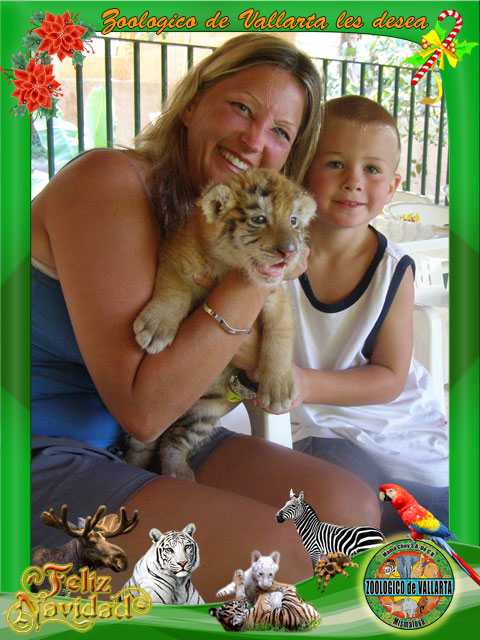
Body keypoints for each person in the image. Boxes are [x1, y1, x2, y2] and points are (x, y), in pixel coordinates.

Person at [31, 35, 381, 602]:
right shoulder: (109, 182)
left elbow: (241, 370)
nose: (254, 139)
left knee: (350, 512)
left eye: (281, 132)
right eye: (241, 107)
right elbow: (144, 410)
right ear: (192, 103)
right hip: (43, 445)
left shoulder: (218, 205)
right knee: (274, 563)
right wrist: (258, 270)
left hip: (153, 432)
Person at [282, 95, 448, 534]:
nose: (353, 181)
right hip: (314, 425)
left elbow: (390, 377)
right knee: (343, 496)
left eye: (372, 169)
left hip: (385, 417)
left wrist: (305, 382)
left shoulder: (393, 270)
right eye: (335, 163)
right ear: (302, 169)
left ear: (392, 187)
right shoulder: (275, 252)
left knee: (444, 504)